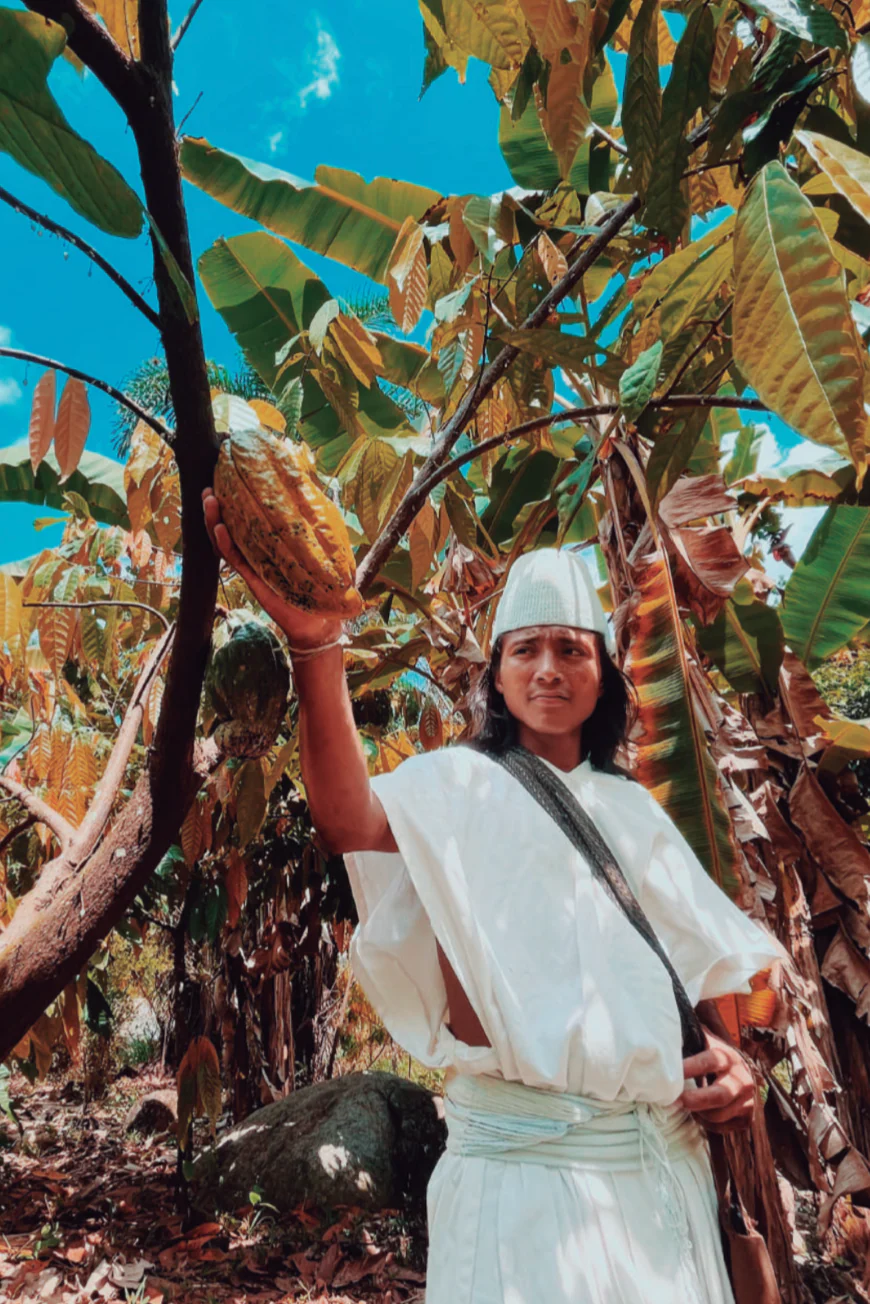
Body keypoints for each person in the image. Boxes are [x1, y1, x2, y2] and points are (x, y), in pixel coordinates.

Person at [203, 489, 784, 1304]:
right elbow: (345, 818)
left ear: (603, 672)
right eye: (526, 650)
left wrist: (732, 1071)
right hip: (522, 1192)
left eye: (572, 650)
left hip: (661, 1188)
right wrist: (316, 645)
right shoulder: (455, 787)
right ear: (498, 676)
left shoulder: (634, 811)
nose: (549, 669)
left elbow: (702, 977)